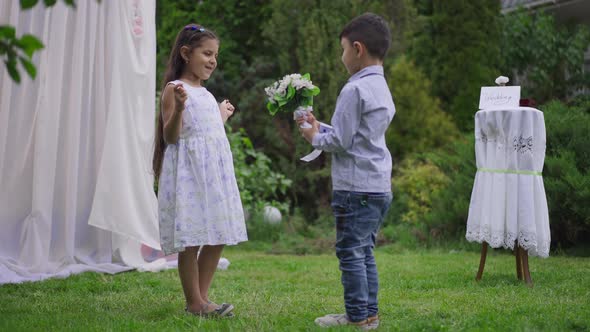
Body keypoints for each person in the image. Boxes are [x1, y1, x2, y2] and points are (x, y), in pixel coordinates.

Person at [296, 13, 395, 329]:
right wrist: (321, 126)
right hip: (378, 185)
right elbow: (356, 133)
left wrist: (313, 136)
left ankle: (358, 317)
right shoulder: (379, 86)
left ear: (357, 48)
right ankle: (368, 314)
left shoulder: (354, 90)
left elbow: (339, 140)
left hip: (355, 187)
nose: (341, 57)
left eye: (342, 50)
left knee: (351, 252)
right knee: (363, 252)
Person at [152, 23, 248, 317]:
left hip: (213, 177)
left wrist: (220, 116)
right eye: (206, 53)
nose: (212, 60)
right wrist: (179, 108)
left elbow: (207, 134)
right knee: (191, 241)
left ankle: (202, 299)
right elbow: (171, 137)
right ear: (185, 53)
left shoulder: (205, 94)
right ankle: (194, 302)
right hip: (189, 177)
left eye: (215, 55)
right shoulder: (175, 90)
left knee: (217, 235)